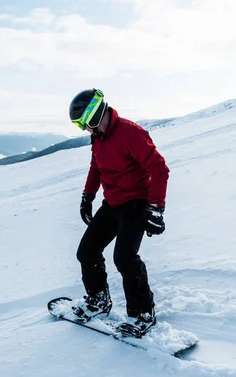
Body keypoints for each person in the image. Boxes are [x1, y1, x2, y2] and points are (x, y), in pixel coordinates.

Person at [69, 89, 170, 337]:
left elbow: (160, 170)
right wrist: (88, 196)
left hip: (135, 204)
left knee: (125, 259)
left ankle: (143, 314)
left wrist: (156, 209)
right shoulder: (99, 136)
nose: (84, 130)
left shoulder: (130, 133)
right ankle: (99, 300)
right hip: (112, 203)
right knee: (87, 251)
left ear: (95, 115)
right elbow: (96, 166)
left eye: (84, 123)